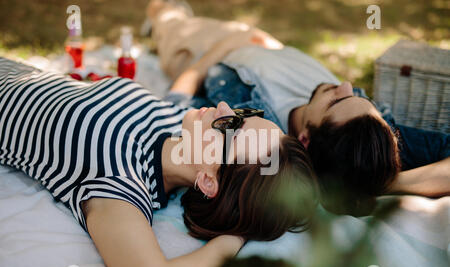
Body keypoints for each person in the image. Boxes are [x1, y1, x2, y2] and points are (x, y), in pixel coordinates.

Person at [0, 49, 317, 267]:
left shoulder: (119, 177)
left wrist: (237, 235)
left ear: (208, 180)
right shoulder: (181, 123)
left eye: (231, 126)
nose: (223, 107)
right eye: (244, 114)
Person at [145, 0, 450, 215]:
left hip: (210, 51)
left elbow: (180, 104)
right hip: (265, 44)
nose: (345, 85)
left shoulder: (253, 132)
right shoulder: (369, 129)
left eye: (338, 100)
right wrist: (382, 180)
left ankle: (161, 18)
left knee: (167, 14)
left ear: (305, 138)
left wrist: (224, 47)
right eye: (361, 96)